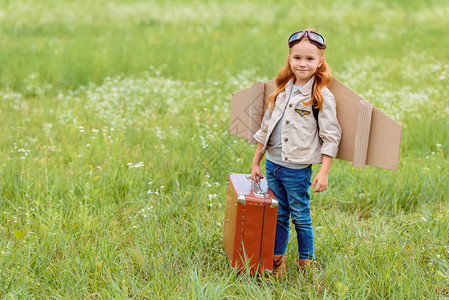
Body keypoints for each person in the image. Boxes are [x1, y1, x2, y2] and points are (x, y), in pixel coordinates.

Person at [250, 29, 341, 278]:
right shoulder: (281, 90)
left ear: (320, 61)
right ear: (289, 59)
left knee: (300, 215)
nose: (303, 63)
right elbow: (265, 129)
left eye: (310, 59)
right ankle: (277, 261)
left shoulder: (320, 96)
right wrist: (256, 162)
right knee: (278, 215)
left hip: (297, 169)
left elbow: (331, 136)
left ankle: (306, 264)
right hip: (273, 165)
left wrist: (323, 172)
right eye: (297, 57)